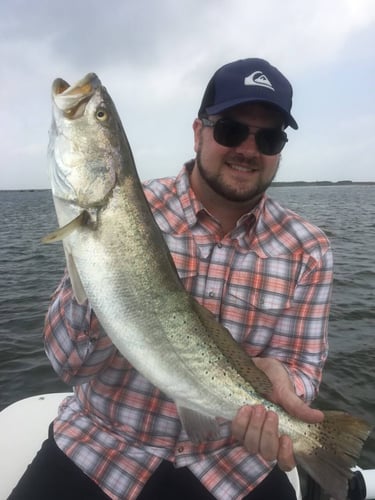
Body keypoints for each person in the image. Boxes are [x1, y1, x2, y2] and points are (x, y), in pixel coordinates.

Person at [10, 58, 333, 499]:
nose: (248, 149)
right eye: (231, 130)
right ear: (199, 131)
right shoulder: (134, 209)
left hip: (232, 462)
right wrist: (101, 277)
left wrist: (286, 388)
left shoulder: (308, 248)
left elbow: (303, 366)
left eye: (270, 137)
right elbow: (68, 365)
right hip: (102, 445)